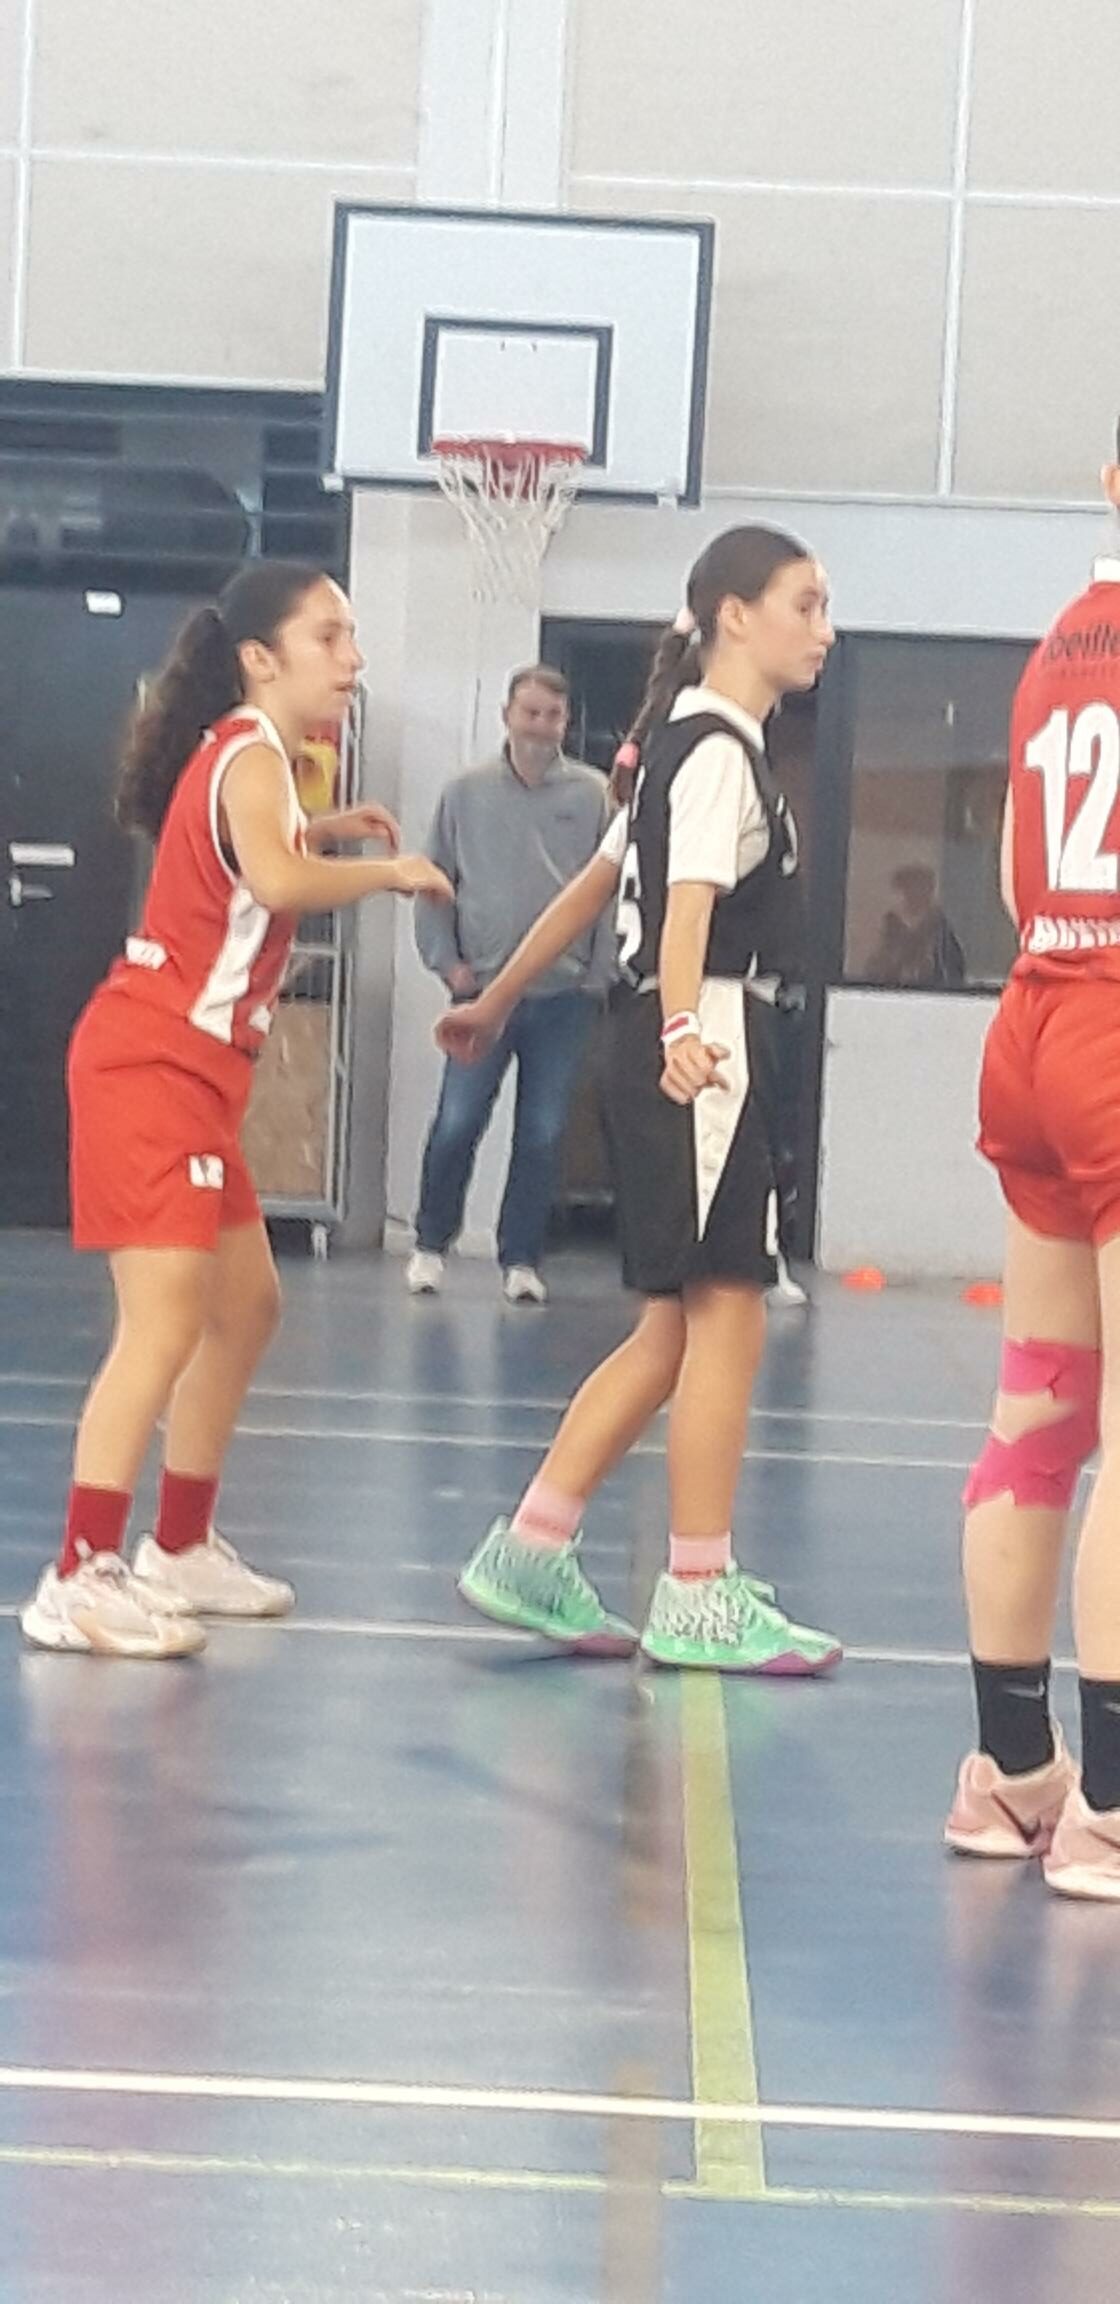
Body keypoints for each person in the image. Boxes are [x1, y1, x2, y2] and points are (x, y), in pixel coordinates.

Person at [20, 561, 451, 1660]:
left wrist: (327, 828)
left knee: (246, 1306)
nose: (352, 659)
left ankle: (178, 1547)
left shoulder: (255, 758)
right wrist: (389, 869)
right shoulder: (253, 754)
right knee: (162, 1324)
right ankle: (77, 1574)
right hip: (149, 1067)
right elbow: (276, 880)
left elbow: (258, 854)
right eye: (330, 637)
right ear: (261, 658)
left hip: (196, 1077)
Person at [438, 526, 842, 1673]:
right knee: (729, 1312)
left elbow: (594, 888)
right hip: (700, 1038)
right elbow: (685, 910)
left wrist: (496, 999)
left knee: (670, 1329)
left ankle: (532, 1545)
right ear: (733, 616)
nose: (823, 629)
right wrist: (677, 1032)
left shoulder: (678, 742)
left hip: (661, 1029)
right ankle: (698, 1590)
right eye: (805, 604)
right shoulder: (712, 753)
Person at [944, 457, 1120, 1898]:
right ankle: (1112, 1809)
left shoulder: (1058, 644)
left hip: (1035, 1015)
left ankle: (1011, 1772)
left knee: (1041, 1409)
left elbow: (1015, 882)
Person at [407, 666, 615, 1307]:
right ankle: (430, 1244)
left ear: (566, 723)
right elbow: (433, 882)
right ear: (507, 715)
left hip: (563, 997)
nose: (540, 727)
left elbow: (610, 891)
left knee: (544, 1132)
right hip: (480, 995)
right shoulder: (463, 794)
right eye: (530, 713)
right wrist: (447, 964)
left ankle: (521, 1259)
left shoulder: (594, 796)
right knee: (458, 1121)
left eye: (553, 716)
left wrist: (597, 975)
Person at [866, 863, 966, 988]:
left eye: (920, 887)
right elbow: (877, 965)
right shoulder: (892, 924)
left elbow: (951, 972)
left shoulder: (941, 928)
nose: (913, 893)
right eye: (908, 888)